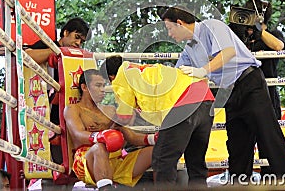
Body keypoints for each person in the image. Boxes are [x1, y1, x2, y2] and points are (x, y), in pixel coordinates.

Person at [160, 6, 285, 183]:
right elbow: (177, 73)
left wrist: (203, 70)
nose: (170, 35)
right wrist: (152, 76)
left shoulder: (212, 26)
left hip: (249, 83)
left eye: (170, 29)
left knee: (269, 137)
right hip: (229, 92)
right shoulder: (189, 49)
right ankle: (239, 187)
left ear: (180, 23)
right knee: (237, 147)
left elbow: (228, 52)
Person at [100, 56, 215, 188]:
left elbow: (125, 117)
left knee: (162, 160)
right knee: (196, 162)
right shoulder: (143, 71)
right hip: (205, 98)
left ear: (111, 77)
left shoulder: (121, 77)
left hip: (183, 103)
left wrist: (109, 126)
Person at [64, 69, 154, 190]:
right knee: (99, 147)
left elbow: (130, 136)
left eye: (104, 85)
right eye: (98, 85)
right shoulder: (73, 109)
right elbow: (77, 133)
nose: (103, 90)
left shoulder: (110, 110)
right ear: (84, 87)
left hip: (115, 160)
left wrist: (153, 138)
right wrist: (99, 136)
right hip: (87, 159)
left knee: (156, 151)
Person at [24, 17, 91, 163]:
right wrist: (55, 53)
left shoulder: (78, 56)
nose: (78, 43)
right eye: (77, 37)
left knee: (69, 161)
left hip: (67, 113)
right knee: (51, 162)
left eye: (81, 41)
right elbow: (26, 55)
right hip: (45, 112)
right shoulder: (50, 45)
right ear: (65, 33)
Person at [239, 0, 285, 119]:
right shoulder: (241, 37)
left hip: (267, 96)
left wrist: (258, 27)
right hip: (243, 97)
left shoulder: (274, 35)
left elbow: (278, 46)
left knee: (269, 137)